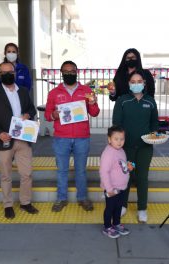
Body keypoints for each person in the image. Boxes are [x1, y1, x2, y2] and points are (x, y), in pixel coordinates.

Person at [0, 62, 38, 219]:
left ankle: (25, 202)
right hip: (4, 140)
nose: (8, 74)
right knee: (6, 175)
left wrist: (28, 115)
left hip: (22, 139)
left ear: (14, 73)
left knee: (26, 173)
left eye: (11, 71)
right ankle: (8, 204)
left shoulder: (23, 91)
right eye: (4, 72)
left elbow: (31, 109)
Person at [45, 60, 100, 212]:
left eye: (72, 71)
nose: (69, 74)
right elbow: (47, 116)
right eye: (66, 71)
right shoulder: (54, 93)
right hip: (61, 138)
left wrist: (93, 103)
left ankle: (82, 198)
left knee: (81, 170)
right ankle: (61, 198)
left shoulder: (86, 90)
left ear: (77, 72)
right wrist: (54, 114)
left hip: (82, 137)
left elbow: (95, 113)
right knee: (62, 170)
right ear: (61, 73)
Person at [112, 70, 158, 223]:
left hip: (145, 147)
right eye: (133, 81)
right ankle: (122, 205)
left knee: (142, 178)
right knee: (125, 176)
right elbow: (116, 124)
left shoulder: (150, 101)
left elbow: (154, 124)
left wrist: (154, 135)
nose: (136, 84)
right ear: (129, 84)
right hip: (125, 147)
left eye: (139, 81)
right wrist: (118, 143)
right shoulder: (122, 101)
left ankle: (142, 208)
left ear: (144, 83)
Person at [100, 125, 132, 238]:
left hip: (121, 186)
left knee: (118, 207)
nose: (119, 142)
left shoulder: (121, 150)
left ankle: (116, 223)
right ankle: (107, 226)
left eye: (122, 139)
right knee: (110, 208)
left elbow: (120, 166)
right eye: (116, 139)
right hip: (112, 188)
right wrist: (109, 189)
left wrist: (128, 167)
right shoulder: (108, 153)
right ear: (109, 139)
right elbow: (104, 172)